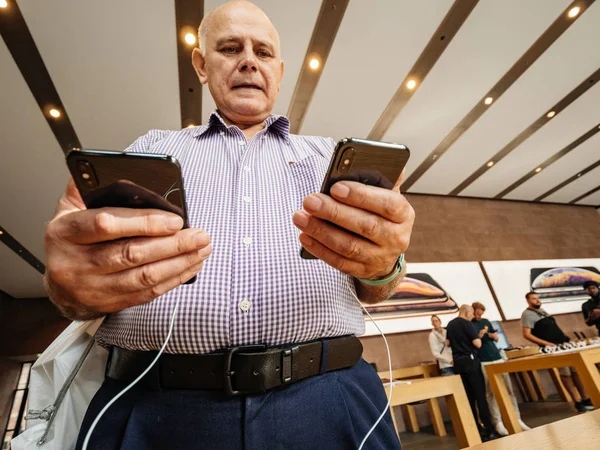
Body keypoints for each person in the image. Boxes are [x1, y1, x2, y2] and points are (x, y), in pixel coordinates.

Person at [43, 1, 415, 449]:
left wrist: (384, 266)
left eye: (262, 51)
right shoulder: (149, 149)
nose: (248, 61)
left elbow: (377, 285)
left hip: (330, 398)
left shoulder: (328, 158)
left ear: (279, 70)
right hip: (155, 407)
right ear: (201, 64)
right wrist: (71, 293)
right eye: (230, 47)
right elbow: (91, 281)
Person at [521, 292, 594, 413]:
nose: (538, 300)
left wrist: (566, 338)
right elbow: (526, 334)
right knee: (566, 374)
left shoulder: (542, 311)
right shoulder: (527, 315)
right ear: (528, 301)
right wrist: (546, 343)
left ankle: (585, 398)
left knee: (575, 371)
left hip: (564, 345)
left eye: (538, 298)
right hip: (554, 348)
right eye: (534, 299)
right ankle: (577, 401)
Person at [471, 302, 530, 435]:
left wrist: (493, 336)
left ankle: (517, 418)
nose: (479, 316)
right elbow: (473, 343)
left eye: (481, 313)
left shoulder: (486, 322)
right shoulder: (470, 324)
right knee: (490, 393)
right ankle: (498, 422)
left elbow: (496, 338)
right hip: (484, 360)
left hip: (496, 356)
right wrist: (480, 335)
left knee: (509, 390)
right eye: (477, 313)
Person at [446, 305, 500, 442]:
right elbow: (477, 344)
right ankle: (490, 430)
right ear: (466, 312)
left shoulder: (450, 324)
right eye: (471, 313)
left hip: (458, 363)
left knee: (469, 398)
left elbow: (447, 343)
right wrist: (479, 337)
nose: (472, 316)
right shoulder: (467, 324)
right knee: (480, 396)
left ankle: (476, 430)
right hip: (471, 361)